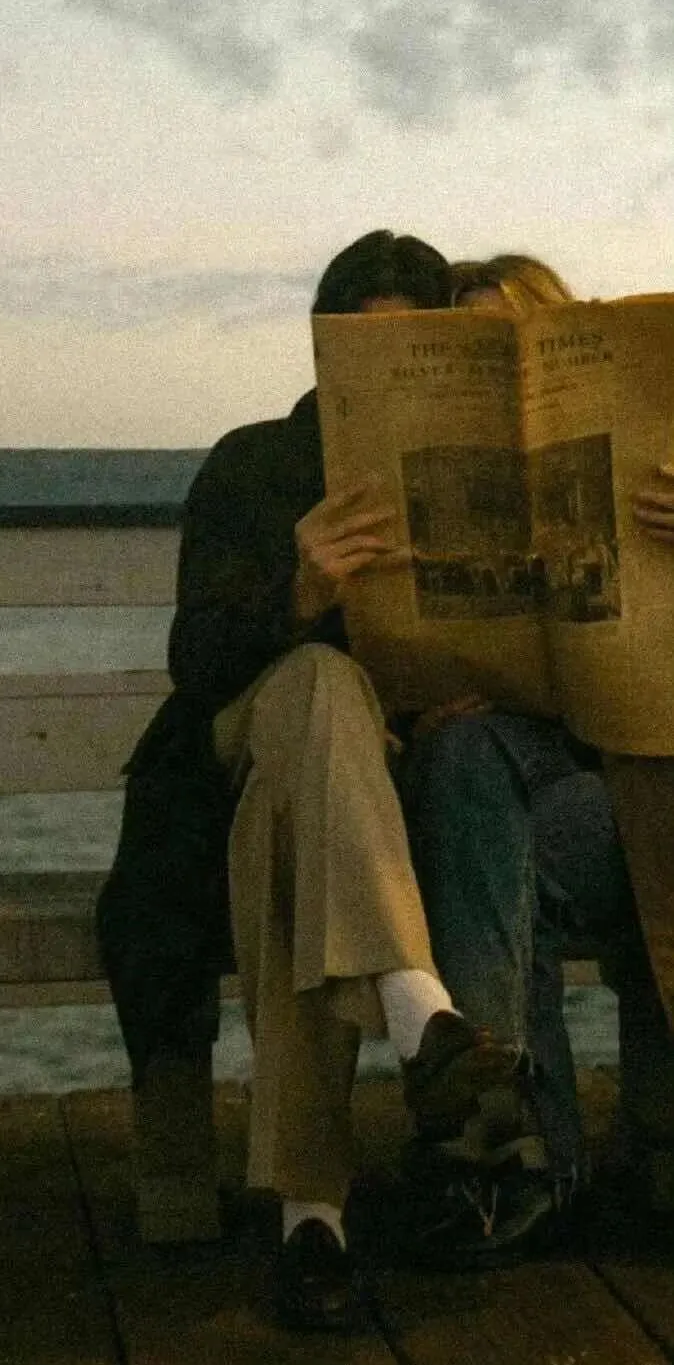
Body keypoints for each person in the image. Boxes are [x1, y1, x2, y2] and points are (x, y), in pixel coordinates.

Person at [97, 230, 520, 1333]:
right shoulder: (253, 461)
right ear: (327, 353)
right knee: (319, 682)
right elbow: (196, 661)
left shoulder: (466, 474)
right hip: (234, 749)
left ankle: (312, 1222)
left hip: (333, 800)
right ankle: (418, 1007)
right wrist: (298, 589)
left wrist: (456, 695)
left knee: (291, 844)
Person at [388, 253, 674, 1260]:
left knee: (490, 836)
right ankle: (522, 1139)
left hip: (642, 792)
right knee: (470, 766)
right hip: (532, 799)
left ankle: (513, 1152)